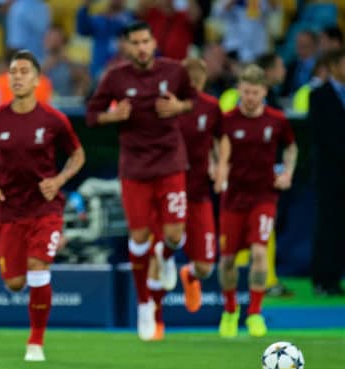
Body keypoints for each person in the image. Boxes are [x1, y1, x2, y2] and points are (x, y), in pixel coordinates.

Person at [86, 22, 197, 341]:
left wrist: (179, 107)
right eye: (135, 43)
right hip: (134, 168)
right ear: (127, 47)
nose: (142, 47)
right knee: (139, 238)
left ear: (154, 41)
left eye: (146, 41)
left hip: (170, 163)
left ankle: (166, 257)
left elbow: (194, 101)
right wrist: (113, 116)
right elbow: (92, 115)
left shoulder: (175, 71)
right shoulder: (115, 77)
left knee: (174, 235)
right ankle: (145, 306)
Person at [0, 50, 85, 361]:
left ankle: (35, 342)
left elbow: (78, 155)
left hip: (45, 208)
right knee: (13, 283)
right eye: (13, 71)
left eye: (24, 71)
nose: (18, 76)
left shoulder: (54, 119)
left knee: (38, 267)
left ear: (37, 80)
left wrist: (59, 180)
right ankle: (37, 262)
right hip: (9, 211)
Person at [214, 64, 298, 338]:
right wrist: (216, 169)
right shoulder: (226, 119)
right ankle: (229, 310)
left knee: (260, 253)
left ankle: (255, 313)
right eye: (246, 91)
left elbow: (292, 147)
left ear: (264, 91)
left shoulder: (277, 119)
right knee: (227, 260)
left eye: (255, 92)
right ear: (239, 89)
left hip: (263, 196)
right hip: (233, 198)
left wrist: (287, 173)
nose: (250, 97)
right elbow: (214, 150)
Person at [146, 57, 222, 339]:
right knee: (158, 254)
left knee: (205, 267)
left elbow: (220, 139)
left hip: (199, 194)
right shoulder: (164, 107)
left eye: (199, 80)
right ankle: (156, 320)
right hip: (167, 192)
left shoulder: (212, 107)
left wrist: (221, 165)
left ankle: (189, 275)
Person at [309, 48, 345, 296]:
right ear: (333, 66)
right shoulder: (319, 95)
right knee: (327, 226)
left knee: (341, 227)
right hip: (329, 173)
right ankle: (322, 279)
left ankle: (336, 278)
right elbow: (321, 136)